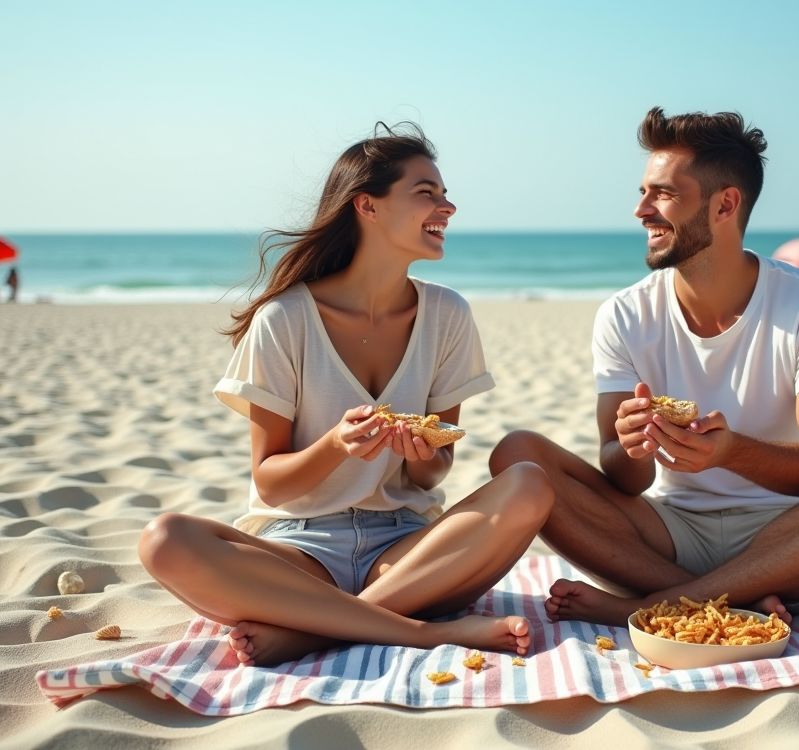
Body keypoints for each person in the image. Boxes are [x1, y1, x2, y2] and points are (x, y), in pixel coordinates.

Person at [138, 124, 553, 667]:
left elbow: (433, 474)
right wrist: (336, 445)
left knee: (528, 484)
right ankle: (422, 633)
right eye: (426, 193)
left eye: (445, 194)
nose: (447, 207)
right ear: (368, 207)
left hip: (406, 550)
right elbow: (271, 483)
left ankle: (314, 632)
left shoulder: (448, 315)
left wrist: (422, 456)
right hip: (300, 550)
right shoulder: (284, 320)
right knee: (164, 539)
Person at [490, 108, 799, 628]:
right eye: (643, 191)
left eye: (662, 194)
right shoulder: (624, 314)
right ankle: (728, 601)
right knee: (518, 454)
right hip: (667, 539)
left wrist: (728, 452)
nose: (642, 210)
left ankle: (648, 608)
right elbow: (623, 476)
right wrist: (633, 447)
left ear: (725, 204)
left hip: (789, 541)